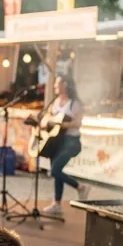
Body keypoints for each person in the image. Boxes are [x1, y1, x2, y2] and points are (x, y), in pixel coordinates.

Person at [40, 74, 88, 216]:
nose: (55, 85)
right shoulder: (54, 102)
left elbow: (77, 123)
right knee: (57, 172)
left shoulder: (75, 104)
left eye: (57, 83)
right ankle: (57, 203)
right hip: (57, 141)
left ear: (65, 85)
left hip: (71, 141)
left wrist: (60, 123)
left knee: (55, 170)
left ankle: (80, 186)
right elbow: (48, 118)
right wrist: (46, 122)